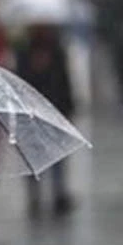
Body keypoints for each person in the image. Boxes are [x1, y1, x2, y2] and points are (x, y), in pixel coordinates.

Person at [15, 27, 76, 215]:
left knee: (57, 158)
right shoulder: (24, 53)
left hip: (54, 111)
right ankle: (35, 198)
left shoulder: (57, 51)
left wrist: (68, 107)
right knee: (33, 158)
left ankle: (59, 195)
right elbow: (20, 82)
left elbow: (64, 81)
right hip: (31, 113)